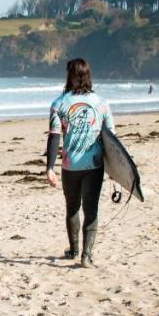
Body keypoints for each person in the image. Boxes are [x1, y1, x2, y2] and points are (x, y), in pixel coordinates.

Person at [46, 58, 115, 268]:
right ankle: (86, 255)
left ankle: (74, 249)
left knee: (72, 208)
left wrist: (49, 168)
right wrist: (116, 170)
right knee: (91, 209)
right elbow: (111, 139)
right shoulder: (102, 104)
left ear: (69, 76)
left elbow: (54, 137)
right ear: (88, 76)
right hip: (94, 166)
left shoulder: (58, 104)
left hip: (69, 166)